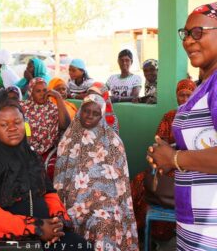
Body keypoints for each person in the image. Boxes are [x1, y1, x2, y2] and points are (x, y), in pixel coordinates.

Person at [0, 96, 92, 251]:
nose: (12, 128)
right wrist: (36, 227)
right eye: (4, 124)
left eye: (17, 122)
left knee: (81, 246)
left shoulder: (31, 156)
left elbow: (49, 192)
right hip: (7, 240)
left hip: (44, 231)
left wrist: (57, 222)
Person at [147, 2, 217, 250]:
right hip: (197, 222)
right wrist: (169, 150)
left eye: (198, 32)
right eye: (185, 33)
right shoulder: (205, 84)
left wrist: (175, 158)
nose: (188, 40)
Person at [54, 94, 139, 250]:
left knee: (103, 223)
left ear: (102, 116)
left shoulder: (113, 142)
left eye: (96, 113)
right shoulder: (68, 139)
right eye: (86, 111)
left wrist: (102, 200)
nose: (89, 116)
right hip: (74, 199)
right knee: (72, 217)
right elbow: (61, 178)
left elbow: (120, 184)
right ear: (80, 111)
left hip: (106, 201)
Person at [131, 78, 196, 241]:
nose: (185, 99)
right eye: (182, 95)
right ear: (176, 96)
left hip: (191, 167)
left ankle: (168, 234)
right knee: (139, 180)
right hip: (168, 165)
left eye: (189, 95)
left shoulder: (201, 118)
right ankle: (139, 231)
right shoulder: (169, 117)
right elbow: (159, 143)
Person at [20, 78, 70, 180]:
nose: (42, 94)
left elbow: (65, 125)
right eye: (38, 91)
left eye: (44, 90)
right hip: (25, 149)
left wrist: (58, 97)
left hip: (48, 151)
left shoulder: (52, 108)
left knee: (53, 169)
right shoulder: (22, 107)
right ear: (31, 92)